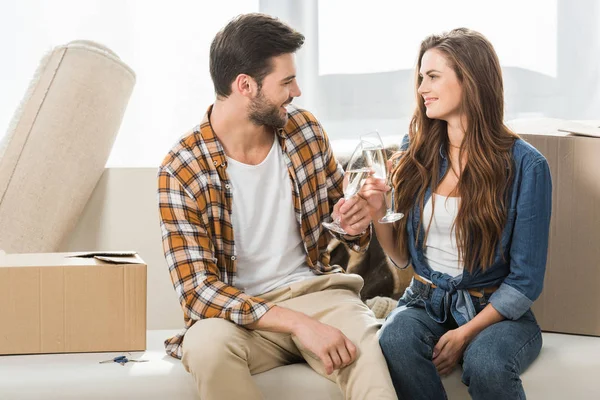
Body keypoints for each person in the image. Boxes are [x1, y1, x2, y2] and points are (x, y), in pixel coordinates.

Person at [157, 13, 397, 400]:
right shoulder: (182, 169)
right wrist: (299, 325)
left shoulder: (304, 130)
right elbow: (197, 292)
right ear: (245, 86)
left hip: (320, 293)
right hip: (237, 317)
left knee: (366, 353)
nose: (297, 91)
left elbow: (344, 223)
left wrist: (355, 223)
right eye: (286, 82)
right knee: (205, 348)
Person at [360, 28, 552, 399]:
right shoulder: (415, 151)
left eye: (432, 77)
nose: (421, 88)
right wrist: (377, 211)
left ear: (470, 80)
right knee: (394, 338)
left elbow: (526, 281)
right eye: (420, 78)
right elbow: (402, 257)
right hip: (424, 300)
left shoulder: (527, 165)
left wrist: (465, 334)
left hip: (495, 310)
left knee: (487, 363)